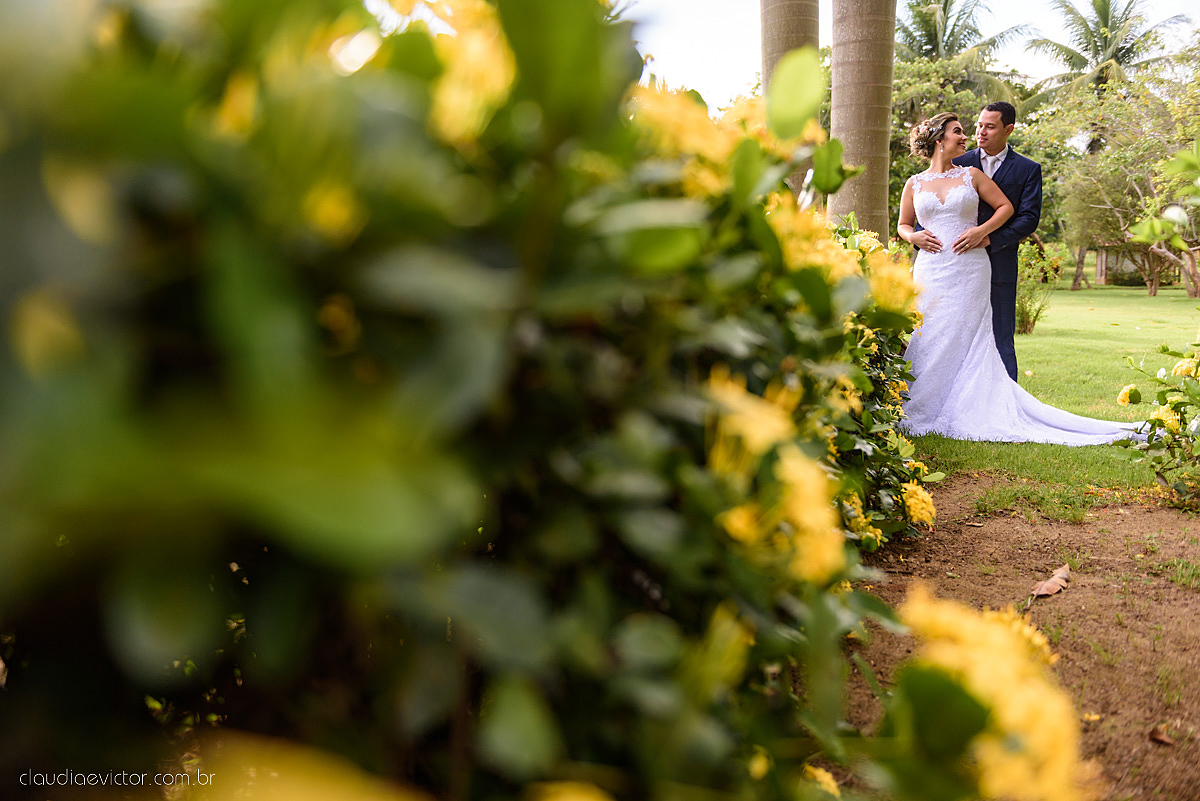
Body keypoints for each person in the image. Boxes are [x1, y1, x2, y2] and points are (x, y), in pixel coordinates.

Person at [896, 112, 1136, 445]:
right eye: (958, 132)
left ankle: (968, 406)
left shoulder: (972, 175)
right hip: (930, 269)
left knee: (967, 336)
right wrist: (914, 237)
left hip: (969, 268)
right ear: (939, 139)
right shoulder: (914, 183)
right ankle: (922, 404)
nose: (967, 137)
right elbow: (904, 224)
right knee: (930, 333)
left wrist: (982, 231)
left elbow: (1005, 208)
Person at [954, 101, 1041, 383]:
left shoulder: (1028, 169)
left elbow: (1028, 218)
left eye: (990, 127)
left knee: (1001, 335)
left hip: (1001, 265)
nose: (981, 132)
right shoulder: (959, 163)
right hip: (958, 265)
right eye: (979, 125)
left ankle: (1008, 403)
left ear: (1009, 130)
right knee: (958, 334)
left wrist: (990, 238)